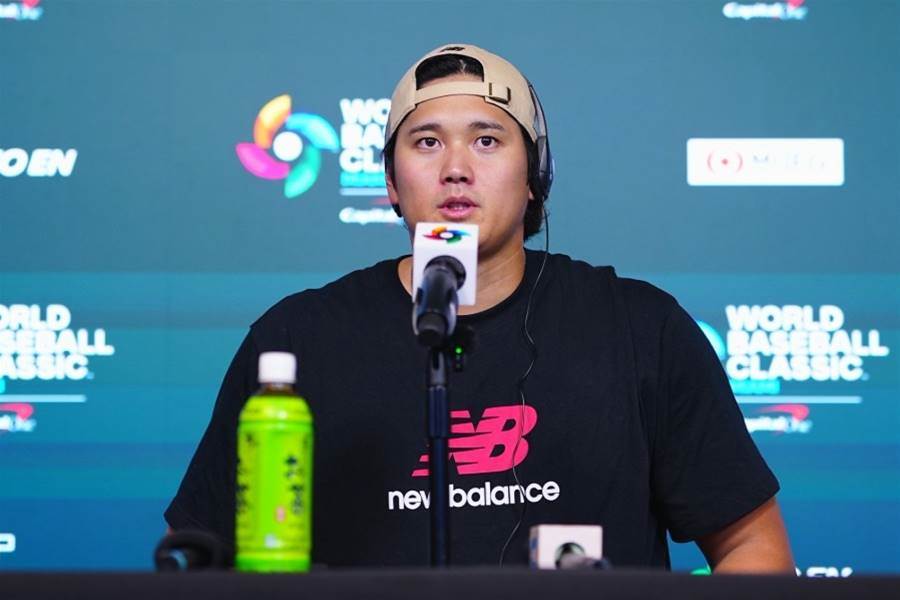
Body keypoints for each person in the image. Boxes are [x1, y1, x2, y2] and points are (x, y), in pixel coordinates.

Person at [165, 44, 794, 572]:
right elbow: (202, 556)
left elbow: (751, 545)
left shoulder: (639, 328)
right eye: (427, 142)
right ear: (391, 182)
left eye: (487, 140)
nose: (457, 168)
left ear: (535, 176)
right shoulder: (299, 339)